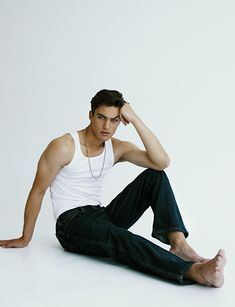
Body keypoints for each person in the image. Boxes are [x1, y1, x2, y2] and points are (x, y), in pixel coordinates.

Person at [0, 89, 226, 287]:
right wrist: (25, 237)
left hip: (100, 215)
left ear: (121, 121)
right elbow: (37, 191)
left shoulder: (116, 148)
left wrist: (135, 119)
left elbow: (162, 162)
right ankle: (191, 271)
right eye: (101, 117)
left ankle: (179, 245)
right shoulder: (64, 146)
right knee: (119, 237)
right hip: (71, 225)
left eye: (114, 120)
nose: (107, 126)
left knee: (155, 176)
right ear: (90, 115)